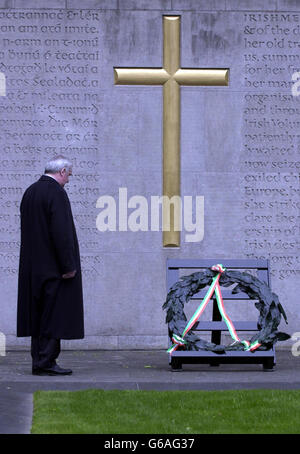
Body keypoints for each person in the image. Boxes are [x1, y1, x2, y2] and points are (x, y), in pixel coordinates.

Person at [17, 156, 84, 375]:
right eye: (69, 174)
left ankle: (39, 360)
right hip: (54, 268)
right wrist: (68, 266)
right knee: (53, 316)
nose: (69, 180)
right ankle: (46, 361)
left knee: (38, 316)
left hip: (33, 267)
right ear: (62, 171)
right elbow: (61, 233)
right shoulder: (56, 193)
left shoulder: (30, 192)